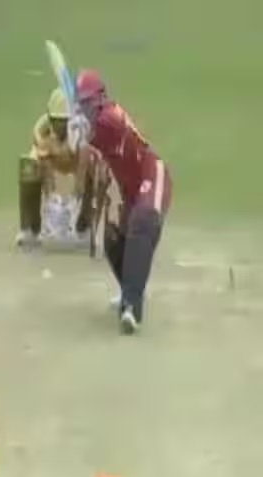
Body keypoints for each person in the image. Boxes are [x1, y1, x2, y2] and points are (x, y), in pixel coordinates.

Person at [69, 69, 172, 334]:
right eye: (82, 103)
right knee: (112, 237)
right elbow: (91, 167)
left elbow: (106, 130)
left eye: (89, 102)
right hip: (131, 190)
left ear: (100, 98)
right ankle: (129, 289)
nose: (86, 108)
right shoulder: (95, 126)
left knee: (142, 222)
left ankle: (131, 308)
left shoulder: (110, 116)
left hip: (153, 175)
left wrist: (83, 135)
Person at [16, 87, 104, 248]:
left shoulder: (81, 127)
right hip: (53, 158)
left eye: (64, 121)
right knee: (28, 166)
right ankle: (29, 229)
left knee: (99, 171)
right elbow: (44, 161)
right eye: (56, 120)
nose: (60, 126)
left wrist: (77, 191)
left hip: (77, 158)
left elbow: (85, 156)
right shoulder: (41, 129)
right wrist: (52, 199)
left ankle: (84, 227)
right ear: (50, 117)